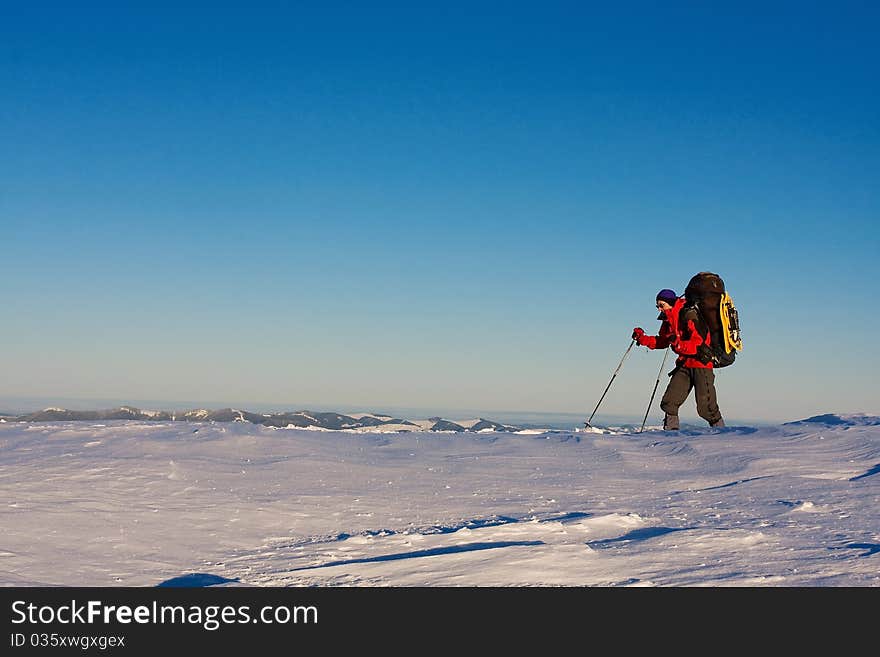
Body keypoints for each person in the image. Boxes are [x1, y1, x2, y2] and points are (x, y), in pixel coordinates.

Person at [632, 288, 724, 430]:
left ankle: (723, 435)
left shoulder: (689, 314)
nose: (659, 309)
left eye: (661, 305)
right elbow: (662, 341)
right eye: (657, 306)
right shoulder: (668, 319)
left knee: (707, 408)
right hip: (684, 364)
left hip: (701, 363)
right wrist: (642, 338)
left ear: (670, 303)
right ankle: (671, 437)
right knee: (669, 402)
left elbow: (698, 344)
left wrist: (678, 344)